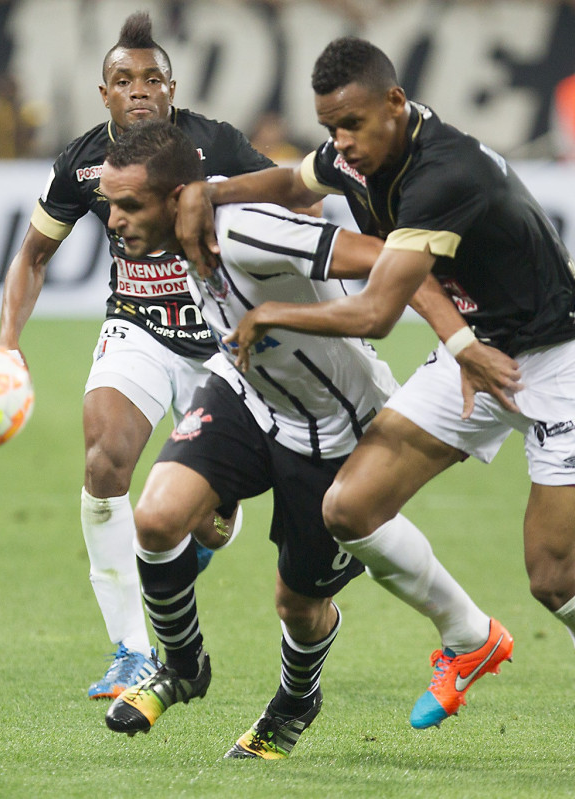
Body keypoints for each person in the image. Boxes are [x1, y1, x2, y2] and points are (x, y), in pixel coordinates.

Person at [176, 36, 575, 777]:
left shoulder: (447, 173)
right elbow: (293, 183)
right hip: (477, 349)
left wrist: (268, 317)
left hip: (557, 357)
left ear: (395, 102)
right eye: (329, 127)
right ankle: (469, 637)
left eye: (351, 124)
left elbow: (380, 307)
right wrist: (209, 191)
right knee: (347, 508)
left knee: (552, 574)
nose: (340, 143)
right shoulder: (361, 151)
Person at [97, 120, 513, 758]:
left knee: (297, 604)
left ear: (177, 194)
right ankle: (182, 667)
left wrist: (460, 344)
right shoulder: (178, 229)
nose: (115, 219)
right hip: (245, 391)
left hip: (335, 427)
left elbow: (390, 261)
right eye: (109, 203)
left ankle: (295, 700)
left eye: (128, 204)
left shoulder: (246, 230)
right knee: (154, 519)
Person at [0, 12, 274, 701]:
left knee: (209, 519)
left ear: (172, 87)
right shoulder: (84, 161)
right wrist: (7, 343)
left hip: (220, 345)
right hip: (137, 330)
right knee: (103, 461)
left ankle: (191, 546)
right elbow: (34, 253)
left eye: (153, 78)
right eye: (124, 79)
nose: (140, 89)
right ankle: (128, 649)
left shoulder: (216, 145)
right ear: (105, 93)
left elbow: (283, 201)